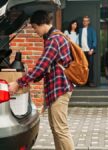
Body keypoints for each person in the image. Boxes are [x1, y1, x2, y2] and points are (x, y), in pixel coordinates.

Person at [8, 10, 75, 150]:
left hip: (60, 88)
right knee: (56, 128)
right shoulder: (52, 37)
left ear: (41, 24)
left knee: (61, 129)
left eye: (34, 27)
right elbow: (44, 68)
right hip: (57, 89)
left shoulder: (54, 40)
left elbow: (41, 66)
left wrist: (19, 82)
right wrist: (32, 77)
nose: (34, 31)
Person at [79, 16, 97, 87]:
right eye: (84, 21)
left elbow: (94, 40)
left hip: (89, 51)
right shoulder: (80, 30)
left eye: (86, 21)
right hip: (82, 51)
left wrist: (92, 49)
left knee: (90, 67)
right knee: (82, 67)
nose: (85, 22)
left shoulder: (91, 30)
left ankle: (91, 82)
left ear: (88, 22)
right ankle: (83, 82)